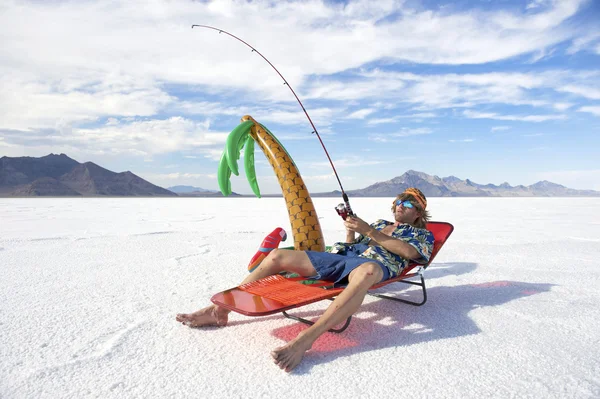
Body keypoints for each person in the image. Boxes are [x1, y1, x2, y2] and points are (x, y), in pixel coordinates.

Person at [176, 187, 435, 372]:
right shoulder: (380, 223)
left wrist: (368, 230)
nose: (402, 205)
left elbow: (410, 254)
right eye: (400, 200)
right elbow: (352, 246)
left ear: (419, 213)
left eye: (410, 203)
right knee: (277, 256)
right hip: (341, 258)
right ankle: (219, 310)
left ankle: (305, 340)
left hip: (375, 266)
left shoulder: (422, 234)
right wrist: (351, 232)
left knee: (367, 272)